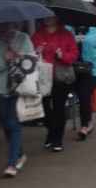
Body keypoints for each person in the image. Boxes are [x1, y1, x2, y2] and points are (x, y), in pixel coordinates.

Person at [0, 21, 35, 177]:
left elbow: (31, 62)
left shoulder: (23, 38)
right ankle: (20, 153)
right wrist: (4, 59)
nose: (3, 28)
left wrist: (19, 55)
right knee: (6, 125)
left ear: (12, 24)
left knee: (13, 123)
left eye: (7, 25)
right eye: (0, 25)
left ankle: (11, 163)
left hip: (18, 88)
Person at [32, 15, 79, 152]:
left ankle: (58, 139)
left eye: (51, 16)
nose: (47, 19)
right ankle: (51, 131)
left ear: (57, 18)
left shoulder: (66, 34)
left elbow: (74, 54)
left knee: (59, 108)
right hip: (43, 79)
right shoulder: (37, 35)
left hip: (61, 77)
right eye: (45, 16)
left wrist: (62, 55)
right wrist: (36, 52)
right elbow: (29, 56)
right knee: (44, 110)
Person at [71, 25, 96, 139]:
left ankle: (84, 126)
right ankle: (88, 122)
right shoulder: (69, 29)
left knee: (85, 95)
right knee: (81, 95)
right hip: (74, 68)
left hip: (92, 69)